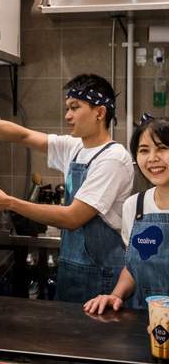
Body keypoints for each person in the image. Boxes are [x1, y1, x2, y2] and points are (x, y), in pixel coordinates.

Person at [0, 74, 134, 303]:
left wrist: (8, 202)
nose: (67, 116)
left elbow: (73, 217)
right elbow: (23, 135)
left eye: (74, 107)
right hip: (72, 267)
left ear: (99, 113)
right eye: (67, 108)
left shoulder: (113, 158)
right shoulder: (76, 147)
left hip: (102, 276)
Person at [84, 115, 169, 313]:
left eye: (162, 148)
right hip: (145, 321)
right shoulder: (135, 206)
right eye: (144, 151)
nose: (152, 158)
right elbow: (133, 267)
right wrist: (115, 295)